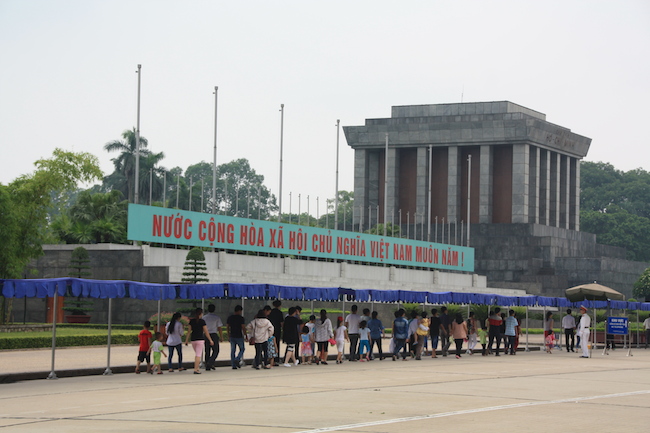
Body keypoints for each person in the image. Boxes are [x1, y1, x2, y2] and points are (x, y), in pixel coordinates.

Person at [185, 308, 214, 374]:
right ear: (201, 314)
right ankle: (196, 369)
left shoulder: (191, 321)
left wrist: (186, 340)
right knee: (198, 355)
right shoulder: (202, 321)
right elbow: (206, 332)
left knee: (197, 353)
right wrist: (210, 340)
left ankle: (197, 367)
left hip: (193, 339)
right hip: (200, 339)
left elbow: (189, 331)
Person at [203, 304, 223, 371]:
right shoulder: (216, 317)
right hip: (214, 334)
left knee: (207, 350)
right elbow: (219, 328)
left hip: (206, 334)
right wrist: (221, 336)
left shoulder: (204, 317)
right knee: (216, 350)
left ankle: (207, 364)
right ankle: (210, 362)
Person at [226, 305, 247, 369]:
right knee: (242, 349)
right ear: (239, 311)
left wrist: (228, 335)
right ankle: (237, 359)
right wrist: (245, 335)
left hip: (232, 335)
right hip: (239, 336)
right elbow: (243, 327)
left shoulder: (230, 317)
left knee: (233, 350)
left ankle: (233, 365)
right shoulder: (241, 318)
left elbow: (227, 326)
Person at [268, 300, 284, 365]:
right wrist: (283, 329)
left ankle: (269, 358)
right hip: (277, 329)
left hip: (270, 329)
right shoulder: (280, 313)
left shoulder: (271, 312)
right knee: (276, 343)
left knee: (269, 344)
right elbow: (281, 322)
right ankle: (276, 359)